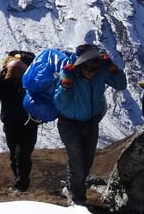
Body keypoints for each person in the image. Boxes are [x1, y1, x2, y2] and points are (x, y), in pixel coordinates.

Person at [52, 44, 127, 206]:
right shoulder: (69, 75)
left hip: (91, 122)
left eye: (96, 68)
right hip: (69, 124)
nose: (93, 73)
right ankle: (78, 200)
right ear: (81, 65)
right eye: (90, 69)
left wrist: (112, 67)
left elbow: (121, 85)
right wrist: (66, 83)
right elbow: (60, 103)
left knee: (87, 162)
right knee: (78, 162)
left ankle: (71, 188)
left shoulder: (101, 72)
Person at [0, 51, 38, 192]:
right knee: (16, 154)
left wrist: (0, 78)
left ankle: (21, 184)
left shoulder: (10, 82)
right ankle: (20, 182)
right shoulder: (26, 82)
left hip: (18, 121)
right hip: (25, 121)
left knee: (21, 154)